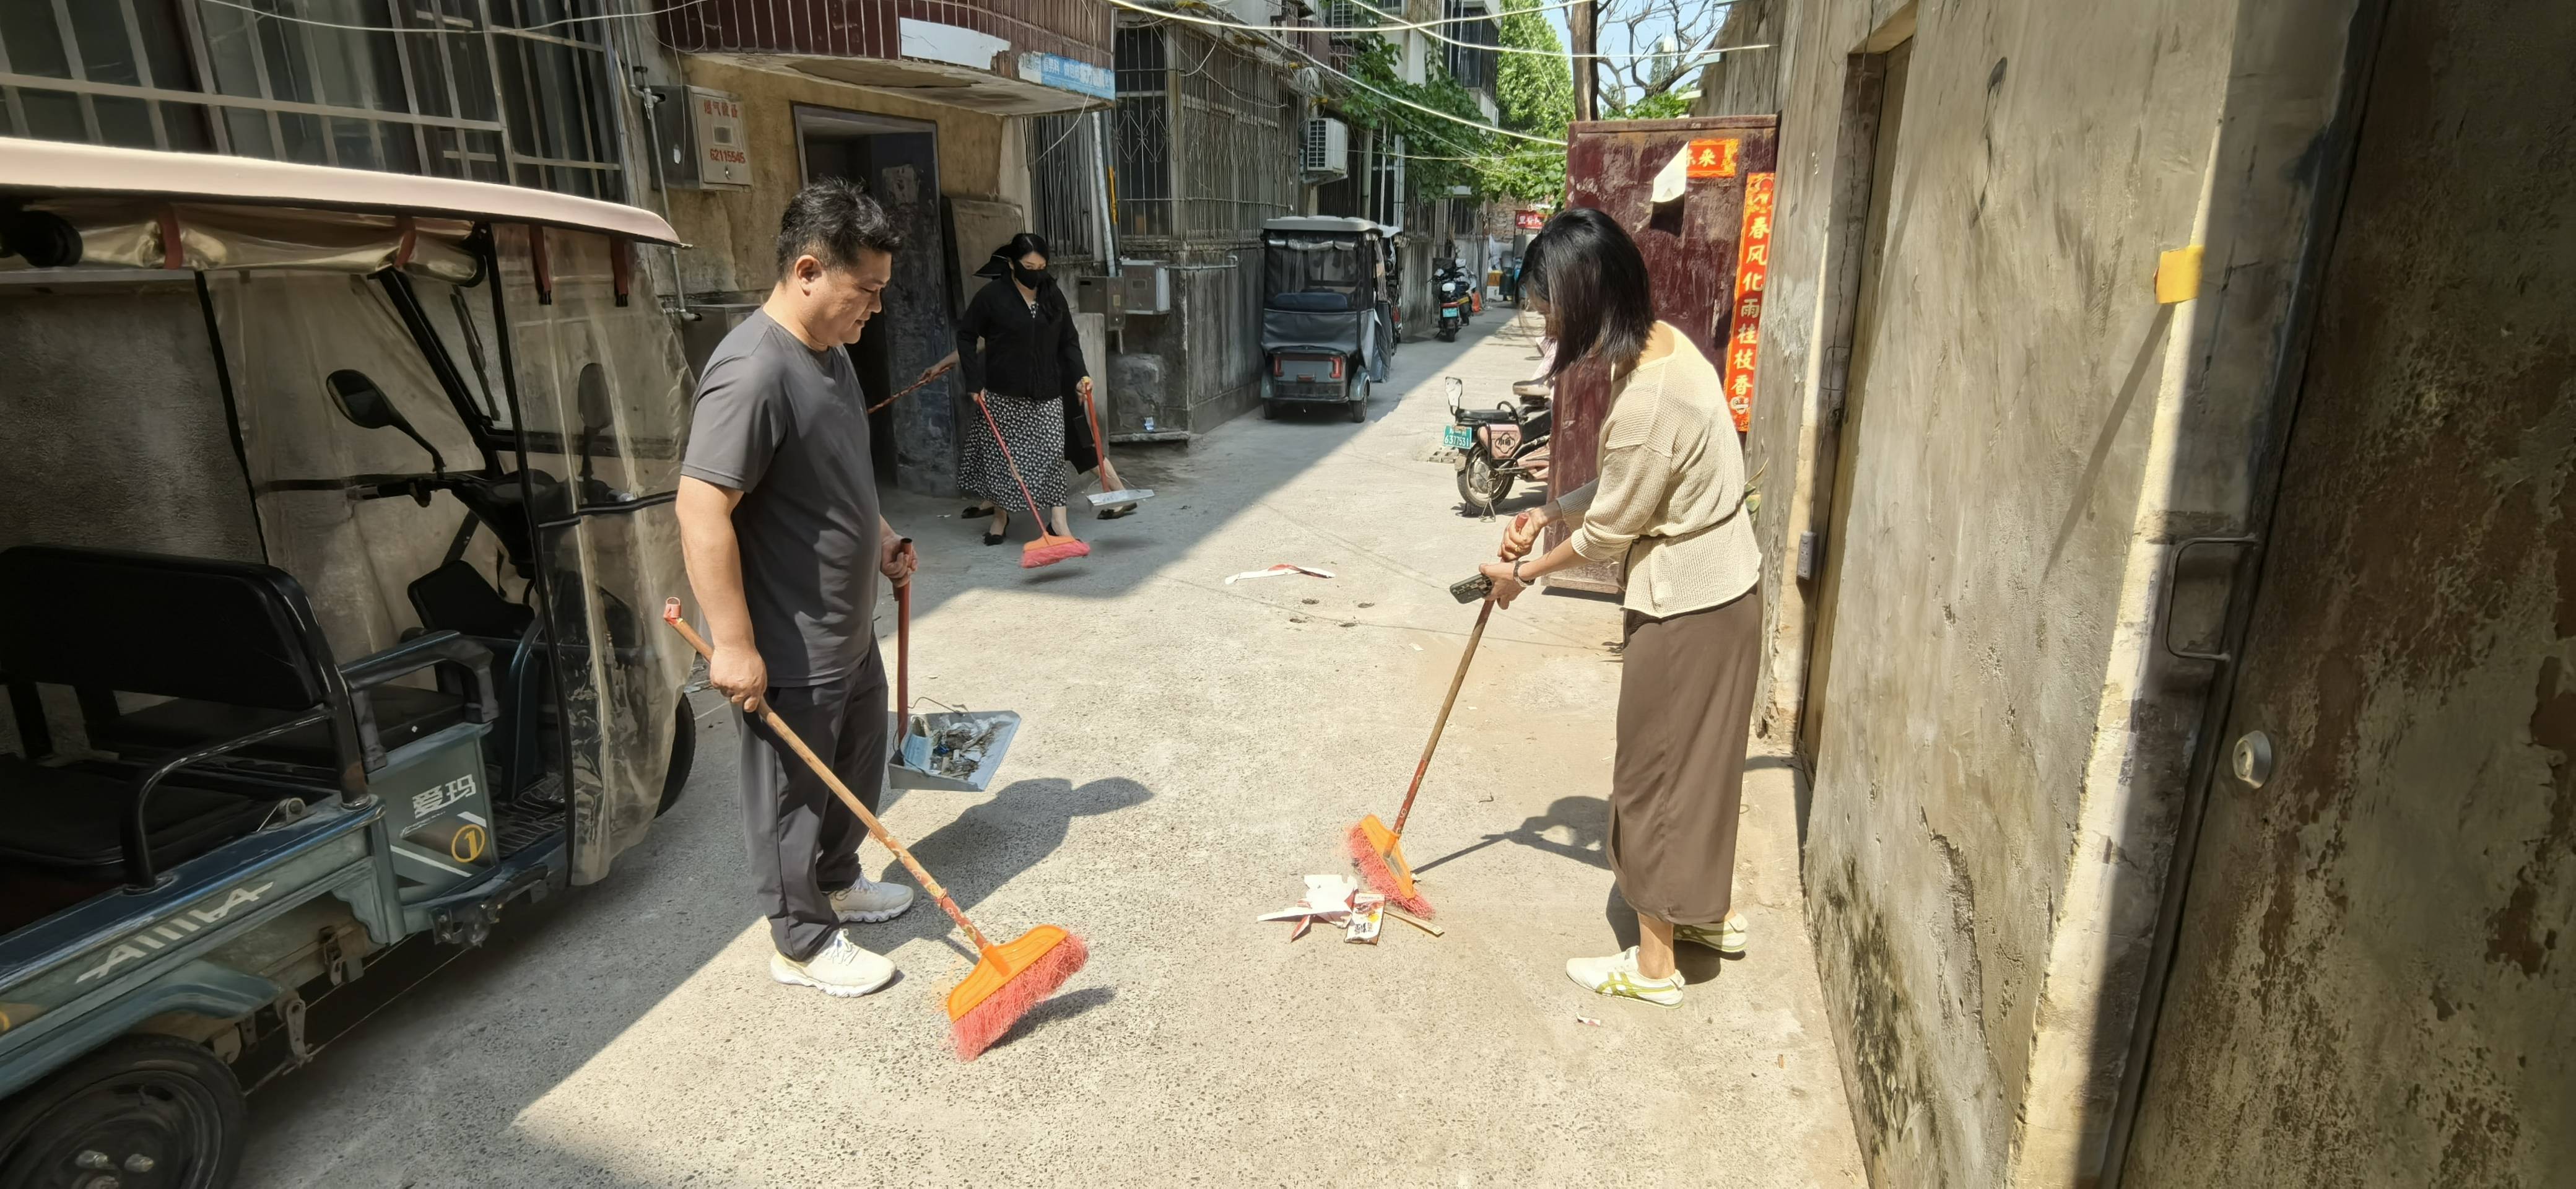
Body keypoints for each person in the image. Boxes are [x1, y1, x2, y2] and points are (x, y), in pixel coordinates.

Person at [1479, 207, 1762, 1009]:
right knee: (1701, 773)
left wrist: (1525, 572)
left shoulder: (1647, 399)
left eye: (1551, 305)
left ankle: (1654, 968)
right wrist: (1552, 507)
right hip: (1724, 590)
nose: (1547, 319)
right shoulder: (1664, 349)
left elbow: (1613, 532)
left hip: (1688, 610)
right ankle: (1712, 916)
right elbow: (1630, 488)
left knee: (1649, 779)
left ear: (1589, 297)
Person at [677, 180, 920, 999]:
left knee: (853, 765)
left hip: (847, 626)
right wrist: (735, 642)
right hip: (790, 637)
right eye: (868, 292)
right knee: (793, 795)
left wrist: (880, 537)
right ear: (810, 271)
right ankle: (802, 939)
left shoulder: (831, 355)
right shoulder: (752, 372)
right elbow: (702, 505)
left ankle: (839, 879)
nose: (875, 310)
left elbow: (840, 470)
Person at [931, 233, 1128, 542]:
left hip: (1049, 390)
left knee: (1052, 455)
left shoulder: (1053, 295)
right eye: (1028, 266)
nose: (1035, 273)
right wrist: (973, 380)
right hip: (1003, 391)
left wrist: (1081, 375)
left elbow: (1069, 341)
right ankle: (1000, 518)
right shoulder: (992, 297)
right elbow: (968, 336)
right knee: (1003, 459)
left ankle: (1059, 524)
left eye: (1041, 266)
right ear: (1011, 264)